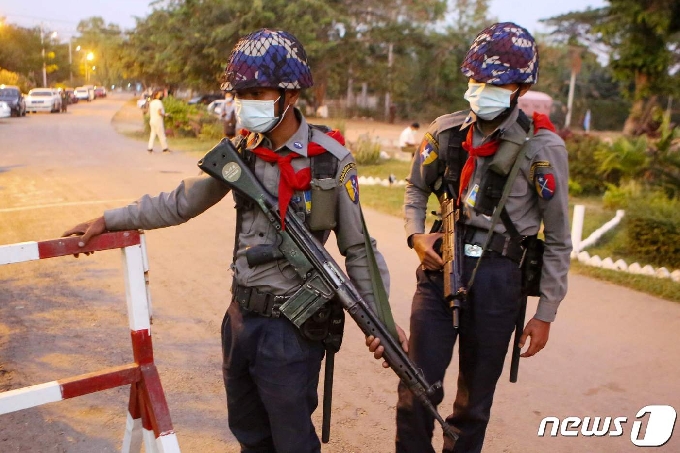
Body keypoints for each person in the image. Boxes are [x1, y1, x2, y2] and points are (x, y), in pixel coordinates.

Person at [63, 28, 406, 453]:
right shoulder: (240, 151)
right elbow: (181, 202)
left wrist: (382, 322)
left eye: (257, 93)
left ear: (291, 95)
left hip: (293, 330)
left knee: (293, 441)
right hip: (240, 320)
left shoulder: (330, 161)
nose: (246, 104)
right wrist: (109, 219)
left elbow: (359, 249)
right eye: (242, 93)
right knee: (249, 437)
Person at [369, 22, 572, 452]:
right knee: (415, 388)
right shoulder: (446, 132)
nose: (481, 89)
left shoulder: (542, 148)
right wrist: (415, 236)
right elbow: (414, 188)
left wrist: (546, 312)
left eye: (494, 83)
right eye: (476, 80)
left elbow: (557, 237)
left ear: (519, 87)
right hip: (440, 265)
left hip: (499, 279)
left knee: (473, 405)